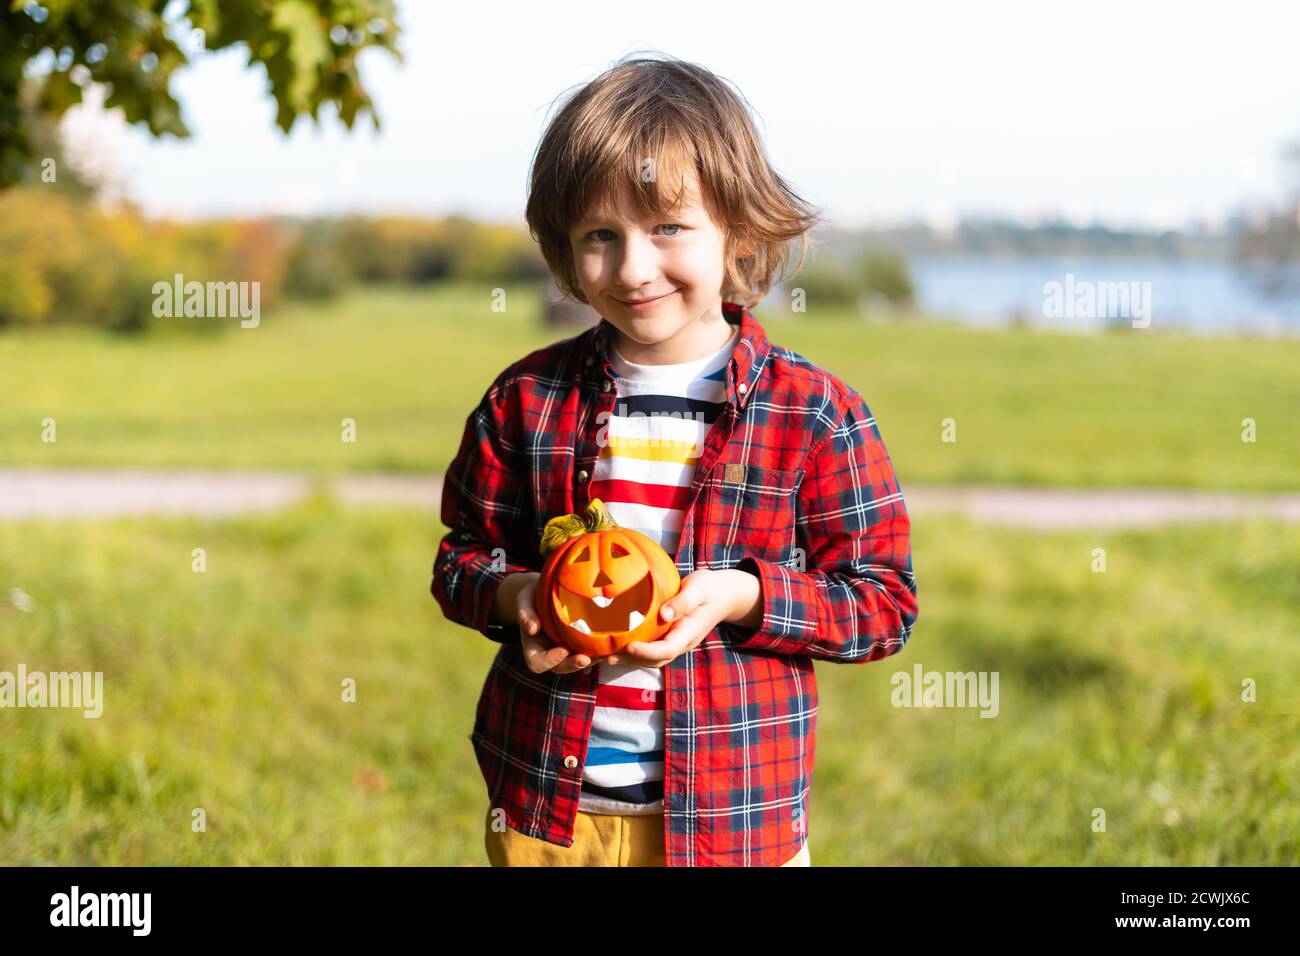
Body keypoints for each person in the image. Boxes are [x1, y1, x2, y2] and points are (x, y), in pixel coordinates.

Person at [431, 53, 918, 867]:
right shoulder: (528, 399)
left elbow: (882, 603)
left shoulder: (814, 413)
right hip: (549, 811)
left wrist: (746, 596)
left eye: (668, 228)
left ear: (740, 229)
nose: (632, 267)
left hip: (734, 824)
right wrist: (517, 596)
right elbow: (459, 559)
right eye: (600, 235)